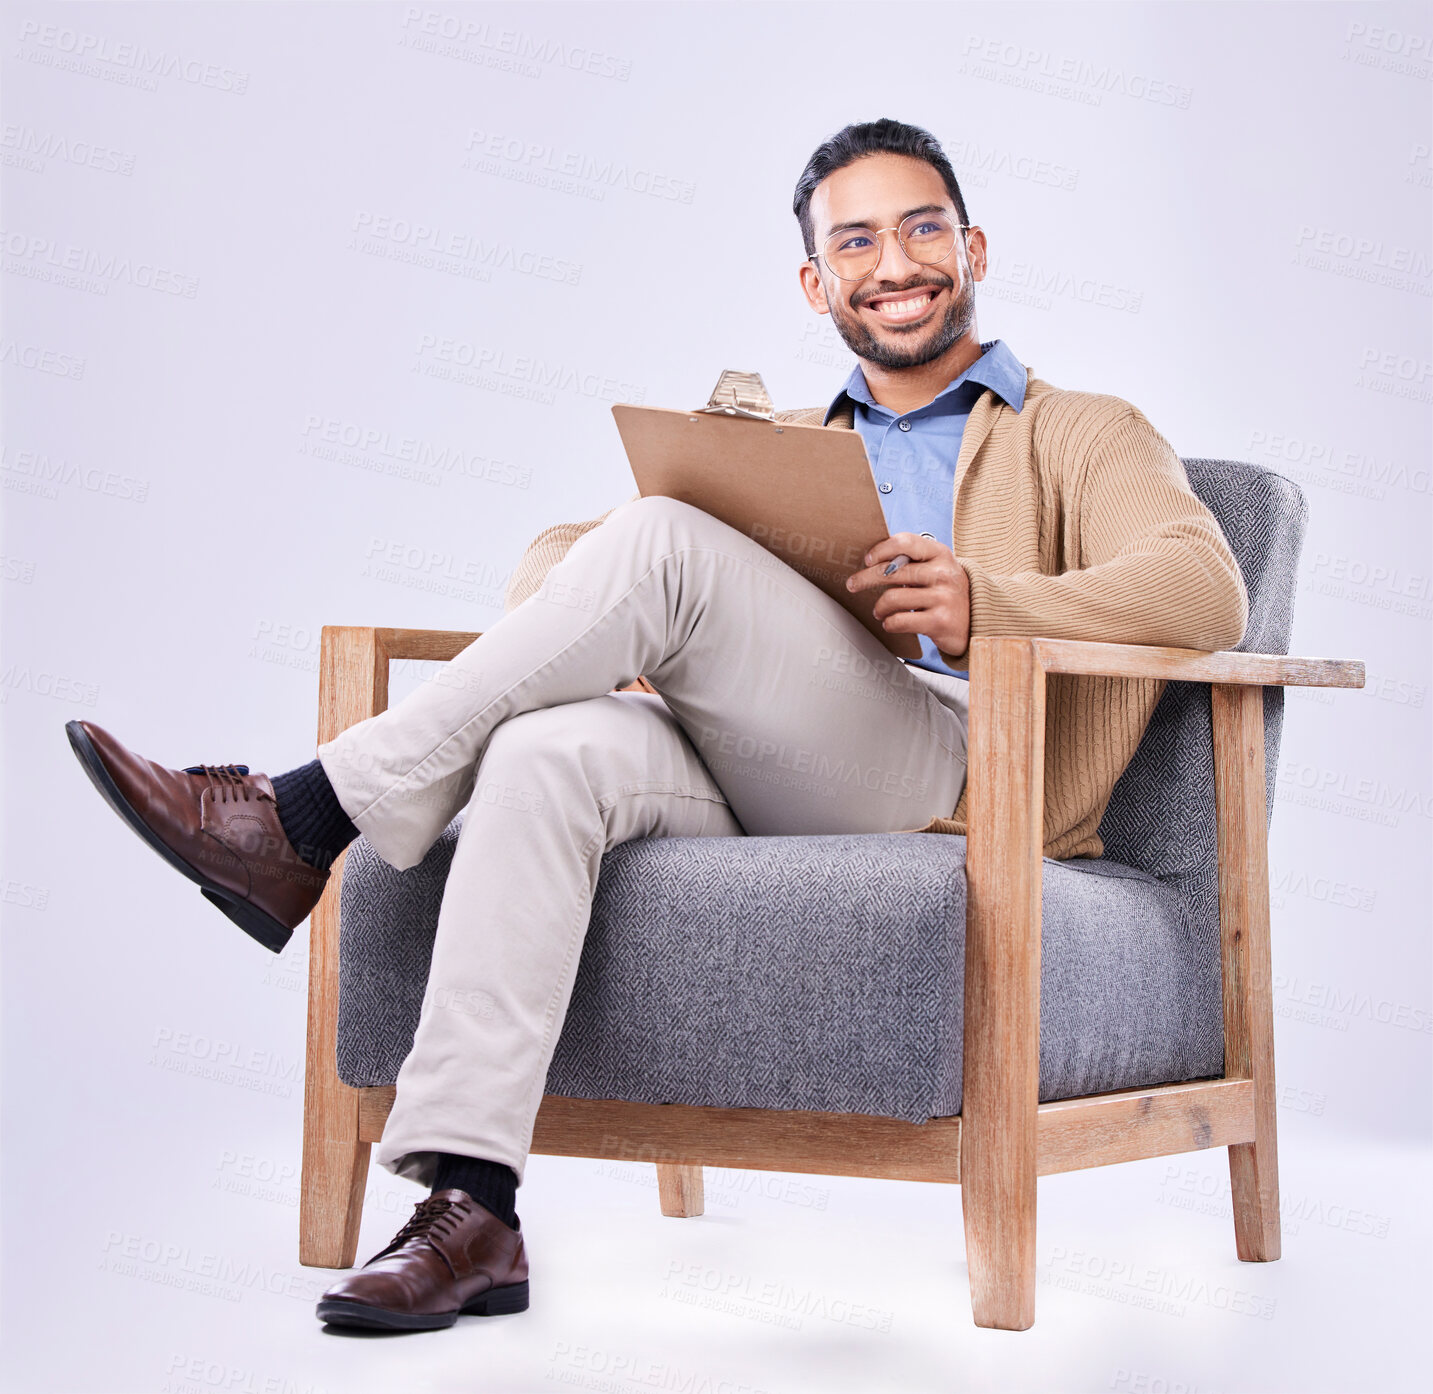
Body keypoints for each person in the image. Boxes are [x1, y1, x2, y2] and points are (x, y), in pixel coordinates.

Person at [65, 118, 1248, 1333]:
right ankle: (472, 1205)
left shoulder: (1080, 428)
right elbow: (549, 566)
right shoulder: (791, 442)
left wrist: (982, 599)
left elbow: (1202, 583)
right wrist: (635, 617)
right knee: (543, 747)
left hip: (955, 768)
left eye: (919, 228)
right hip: (766, 761)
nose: (893, 263)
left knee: (661, 551)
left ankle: (298, 817)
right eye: (855, 241)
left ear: (972, 245)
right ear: (815, 281)